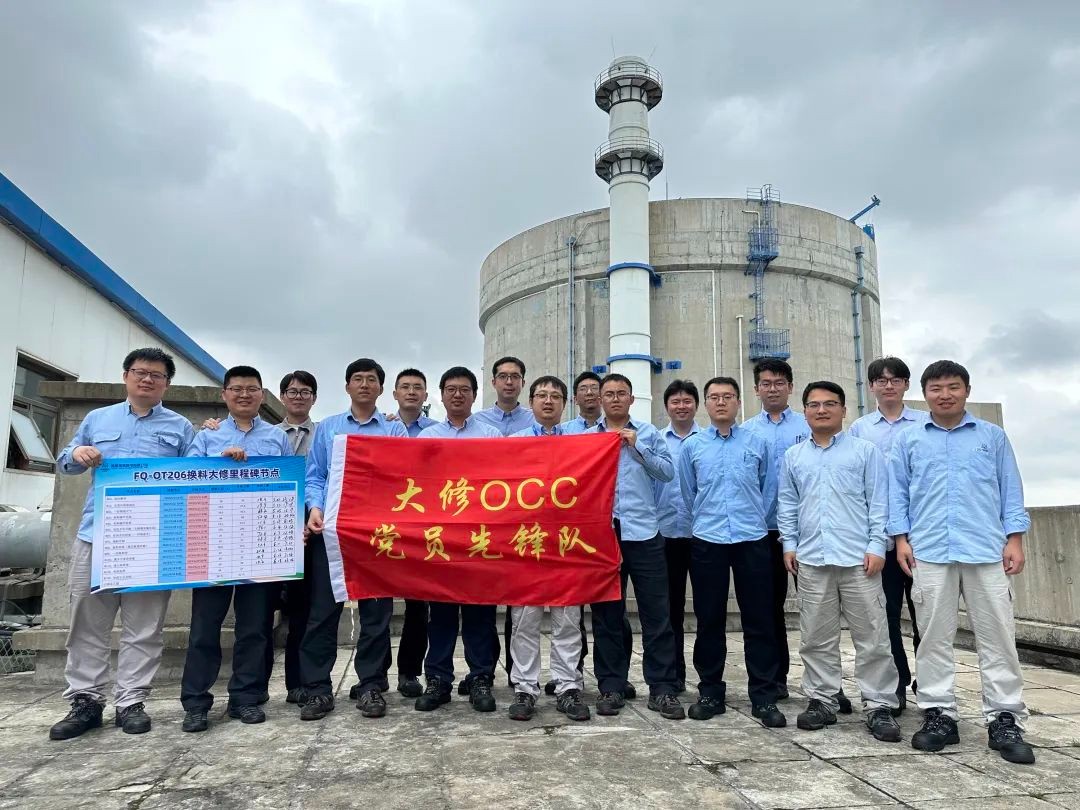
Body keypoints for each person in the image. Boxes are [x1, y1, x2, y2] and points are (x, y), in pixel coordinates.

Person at [889, 361, 1035, 764]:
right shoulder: (909, 440)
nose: (945, 395)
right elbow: (896, 493)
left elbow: (1010, 489)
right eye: (936, 388)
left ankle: (1005, 717)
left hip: (986, 549)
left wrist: (1015, 539)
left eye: (953, 387)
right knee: (933, 636)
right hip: (929, 549)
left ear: (967, 390)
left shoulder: (992, 437)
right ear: (924, 394)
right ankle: (939, 714)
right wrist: (901, 539)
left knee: (998, 636)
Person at [48, 349, 196, 741]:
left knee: (144, 627)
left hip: (152, 540)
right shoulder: (98, 419)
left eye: (156, 375)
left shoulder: (181, 428)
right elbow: (65, 460)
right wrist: (77, 453)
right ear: (126, 376)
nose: (147, 379)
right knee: (87, 623)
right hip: (97, 535)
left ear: (166, 384)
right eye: (139, 372)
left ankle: (131, 702)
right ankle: (85, 701)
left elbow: (197, 476)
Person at [778, 381, 901, 742]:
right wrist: (789, 544)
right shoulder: (794, 457)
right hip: (812, 559)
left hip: (859, 559)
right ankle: (822, 700)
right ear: (805, 411)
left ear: (844, 410)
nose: (822, 410)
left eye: (830, 404)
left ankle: (879, 704)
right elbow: (787, 503)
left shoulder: (865, 452)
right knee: (815, 637)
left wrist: (877, 546)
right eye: (814, 404)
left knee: (873, 637)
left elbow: (879, 502)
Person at [179, 366, 293, 732]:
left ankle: (246, 698)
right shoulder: (207, 436)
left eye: (252, 389)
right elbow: (184, 479)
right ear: (225, 394)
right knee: (204, 628)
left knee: (255, 627)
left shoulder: (277, 437)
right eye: (237, 389)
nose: (244, 395)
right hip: (213, 544)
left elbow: (290, 483)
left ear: (262, 394)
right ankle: (196, 702)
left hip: (260, 544)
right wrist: (218, 462)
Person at [299, 359, 409, 722]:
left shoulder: (394, 430)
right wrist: (314, 508)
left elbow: (404, 477)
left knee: (376, 614)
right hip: (332, 531)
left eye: (371, 379)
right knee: (322, 612)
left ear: (381, 388)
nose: (364, 384)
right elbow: (315, 475)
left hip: (377, 535)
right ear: (347, 386)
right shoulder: (328, 428)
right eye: (357, 379)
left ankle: (371, 685)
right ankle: (317, 689)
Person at [678, 377, 785, 727]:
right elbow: (688, 492)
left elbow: (769, 490)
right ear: (706, 404)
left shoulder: (757, 443)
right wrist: (705, 519)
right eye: (714, 397)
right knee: (709, 618)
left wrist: (753, 517)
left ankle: (764, 695)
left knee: (759, 619)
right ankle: (710, 692)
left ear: (738, 402)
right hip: (707, 538)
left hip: (752, 538)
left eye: (727, 396)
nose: (721, 402)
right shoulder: (693, 447)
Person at [588, 374, 683, 721]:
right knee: (608, 615)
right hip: (603, 535)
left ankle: (662, 688)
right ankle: (611, 685)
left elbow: (667, 473)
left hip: (644, 532)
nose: (615, 399)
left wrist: (637, 446)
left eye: (621, 394)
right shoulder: (588, 438)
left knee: (656, 614)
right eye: (609, 394)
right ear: (600, 400)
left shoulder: (649, 434)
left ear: (631, 399)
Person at [414, 367, 503, 713]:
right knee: (441, 614)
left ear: (474, 395)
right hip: (441, 540)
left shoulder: (492, 436)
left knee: (480, 614)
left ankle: (481, 678)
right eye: (451, 389)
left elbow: (503, 483)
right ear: (441, 394)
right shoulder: (427, 437)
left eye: (464, 389)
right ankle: (438, 680)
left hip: (480, 538)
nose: (457, 395)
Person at [505, 376, 590, 722]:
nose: (548, 401)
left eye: (556, 396)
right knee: (524, 619)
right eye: (541, 395)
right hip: (526, 541)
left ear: (565, 403)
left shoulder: (581, 444)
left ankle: (568, 686)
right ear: (531, 402)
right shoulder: (514, 444)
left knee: (567, 619)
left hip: (567, 543)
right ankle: (525, 688)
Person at [849, 356, 928, 712]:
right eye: (881, 380)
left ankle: (930, 682)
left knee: (928, 616)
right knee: (887, 617)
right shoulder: (860, 429)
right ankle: (895, 684)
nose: (889, 385)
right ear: (871, 387)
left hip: (923, 537)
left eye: (896, 379)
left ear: (907, 384)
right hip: (881, 540)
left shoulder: (925, 423)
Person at [742, 359, 815, 706]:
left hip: (807, 533)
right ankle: (775, 679)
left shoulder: (808, 425)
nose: (773, 389)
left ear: (790, 387)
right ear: (756, 389)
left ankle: (825, 685)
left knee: (817, 609)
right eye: (766, 383)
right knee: (767, 610)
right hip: (763, 533)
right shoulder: (746, 432)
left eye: (779, 382)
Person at [388, 368, 437, 699]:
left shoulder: (436, 432)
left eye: (417, 387)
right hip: (386, 524)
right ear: (394, 394)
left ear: (425, 395)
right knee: (377, 604)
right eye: (404, 387)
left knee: (418, 606)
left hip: (424, 527)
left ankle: (409, 672)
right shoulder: (382, 428)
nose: (411, 392)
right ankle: (373, 676)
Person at [654, 379, 702, 694]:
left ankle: (707, 677)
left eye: (687, 401)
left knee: (706, 609)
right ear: (667, 406)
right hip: (666, 534)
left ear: (696, 405)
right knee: (669, 610)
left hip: (701, 536)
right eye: (675, 401)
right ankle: (674, 674)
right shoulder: (656, 441)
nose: (681, 406)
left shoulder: (707, 440)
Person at [274, 370, 319, 706]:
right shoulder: (267, 434)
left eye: (305, 392)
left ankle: (299, 682)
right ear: (282, 397)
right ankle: (253, 688)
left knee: (304, 608)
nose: (299, 397)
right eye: (292, 391)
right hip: (271, 522)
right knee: (267, 609)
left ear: (314, 398)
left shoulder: (326, 434)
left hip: (312, 523)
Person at [473, 356, 535, 436]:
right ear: (494, 382)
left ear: (523, 383)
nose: (509, 382)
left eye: (515, 376)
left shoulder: (535, 420)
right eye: (502, 376)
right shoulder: (477, 420)